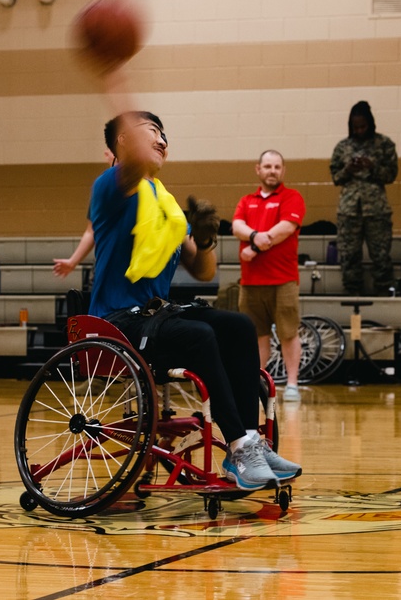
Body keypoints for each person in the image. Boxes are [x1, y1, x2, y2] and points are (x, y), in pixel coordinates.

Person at [87, 105, 302, 491]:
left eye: (163, 133)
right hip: (117, 322)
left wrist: (204, 239)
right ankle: (237, 444)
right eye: (149, 131)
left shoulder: (165, 206)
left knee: (239, 325)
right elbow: (131, 161)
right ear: (124, 141)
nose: (160, 139)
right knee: (200, 335)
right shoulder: (109, 187)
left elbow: (203, 270)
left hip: (153, 318)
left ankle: (250, 442)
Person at [231, 149, 306, 401]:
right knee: (256, 336)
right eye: (267, 166)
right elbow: (237, 226)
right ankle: (256, 382)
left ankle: (293, 384)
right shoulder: (245, 200)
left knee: (288, 333)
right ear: (258, 169)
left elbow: (286, 227)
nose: (272, 171)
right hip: (251, 283)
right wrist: (254, 235)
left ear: (282, 171)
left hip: (283, 280)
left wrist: (255, 245)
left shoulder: (292, 197)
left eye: (277, 167)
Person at [330, 101, 398, 296]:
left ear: (370, 124)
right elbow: (336, 177)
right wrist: (348, 169)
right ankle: (353, 296)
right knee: (349, 256)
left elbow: (391, 175)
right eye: (355, 127)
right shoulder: (343, 146)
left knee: (381, 256)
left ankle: (384, 296)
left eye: (363, 126)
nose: (359, 131)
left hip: (376, 210)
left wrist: (372, 166)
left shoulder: (384, 144)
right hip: (349, 210)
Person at [53, 148, 116, 279]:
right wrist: (73, 262)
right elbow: (91, 231)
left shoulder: (142, 185)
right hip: (107, 266)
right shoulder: (101, 186)